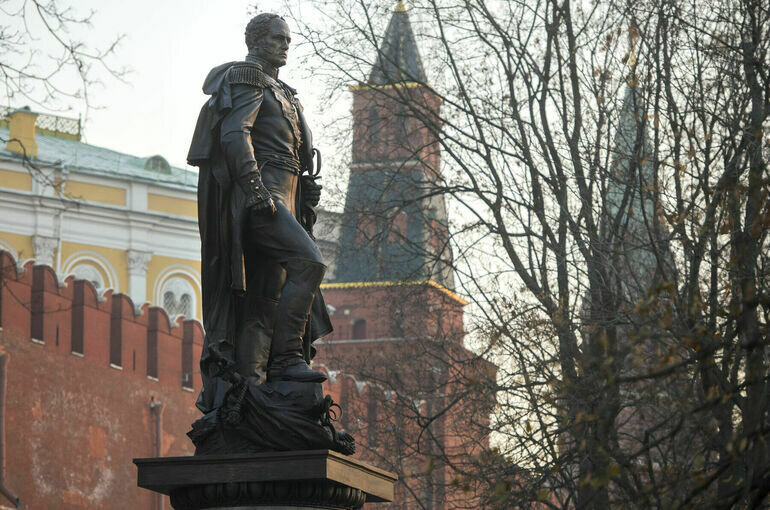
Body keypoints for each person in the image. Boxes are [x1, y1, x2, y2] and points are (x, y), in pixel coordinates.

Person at [188, 13, 332, 414]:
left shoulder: (284, 91)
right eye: (276, 38)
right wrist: (254, 190)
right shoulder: (247, 78)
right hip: (263, 197)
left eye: (288, 39)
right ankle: (287, 360)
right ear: (254, 40)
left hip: (285, 196)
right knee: (309, 264)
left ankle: (252, 389)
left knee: (264, 299)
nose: (285, 44)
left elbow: (293, 157)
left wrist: (304, 192)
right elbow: (236, 134)